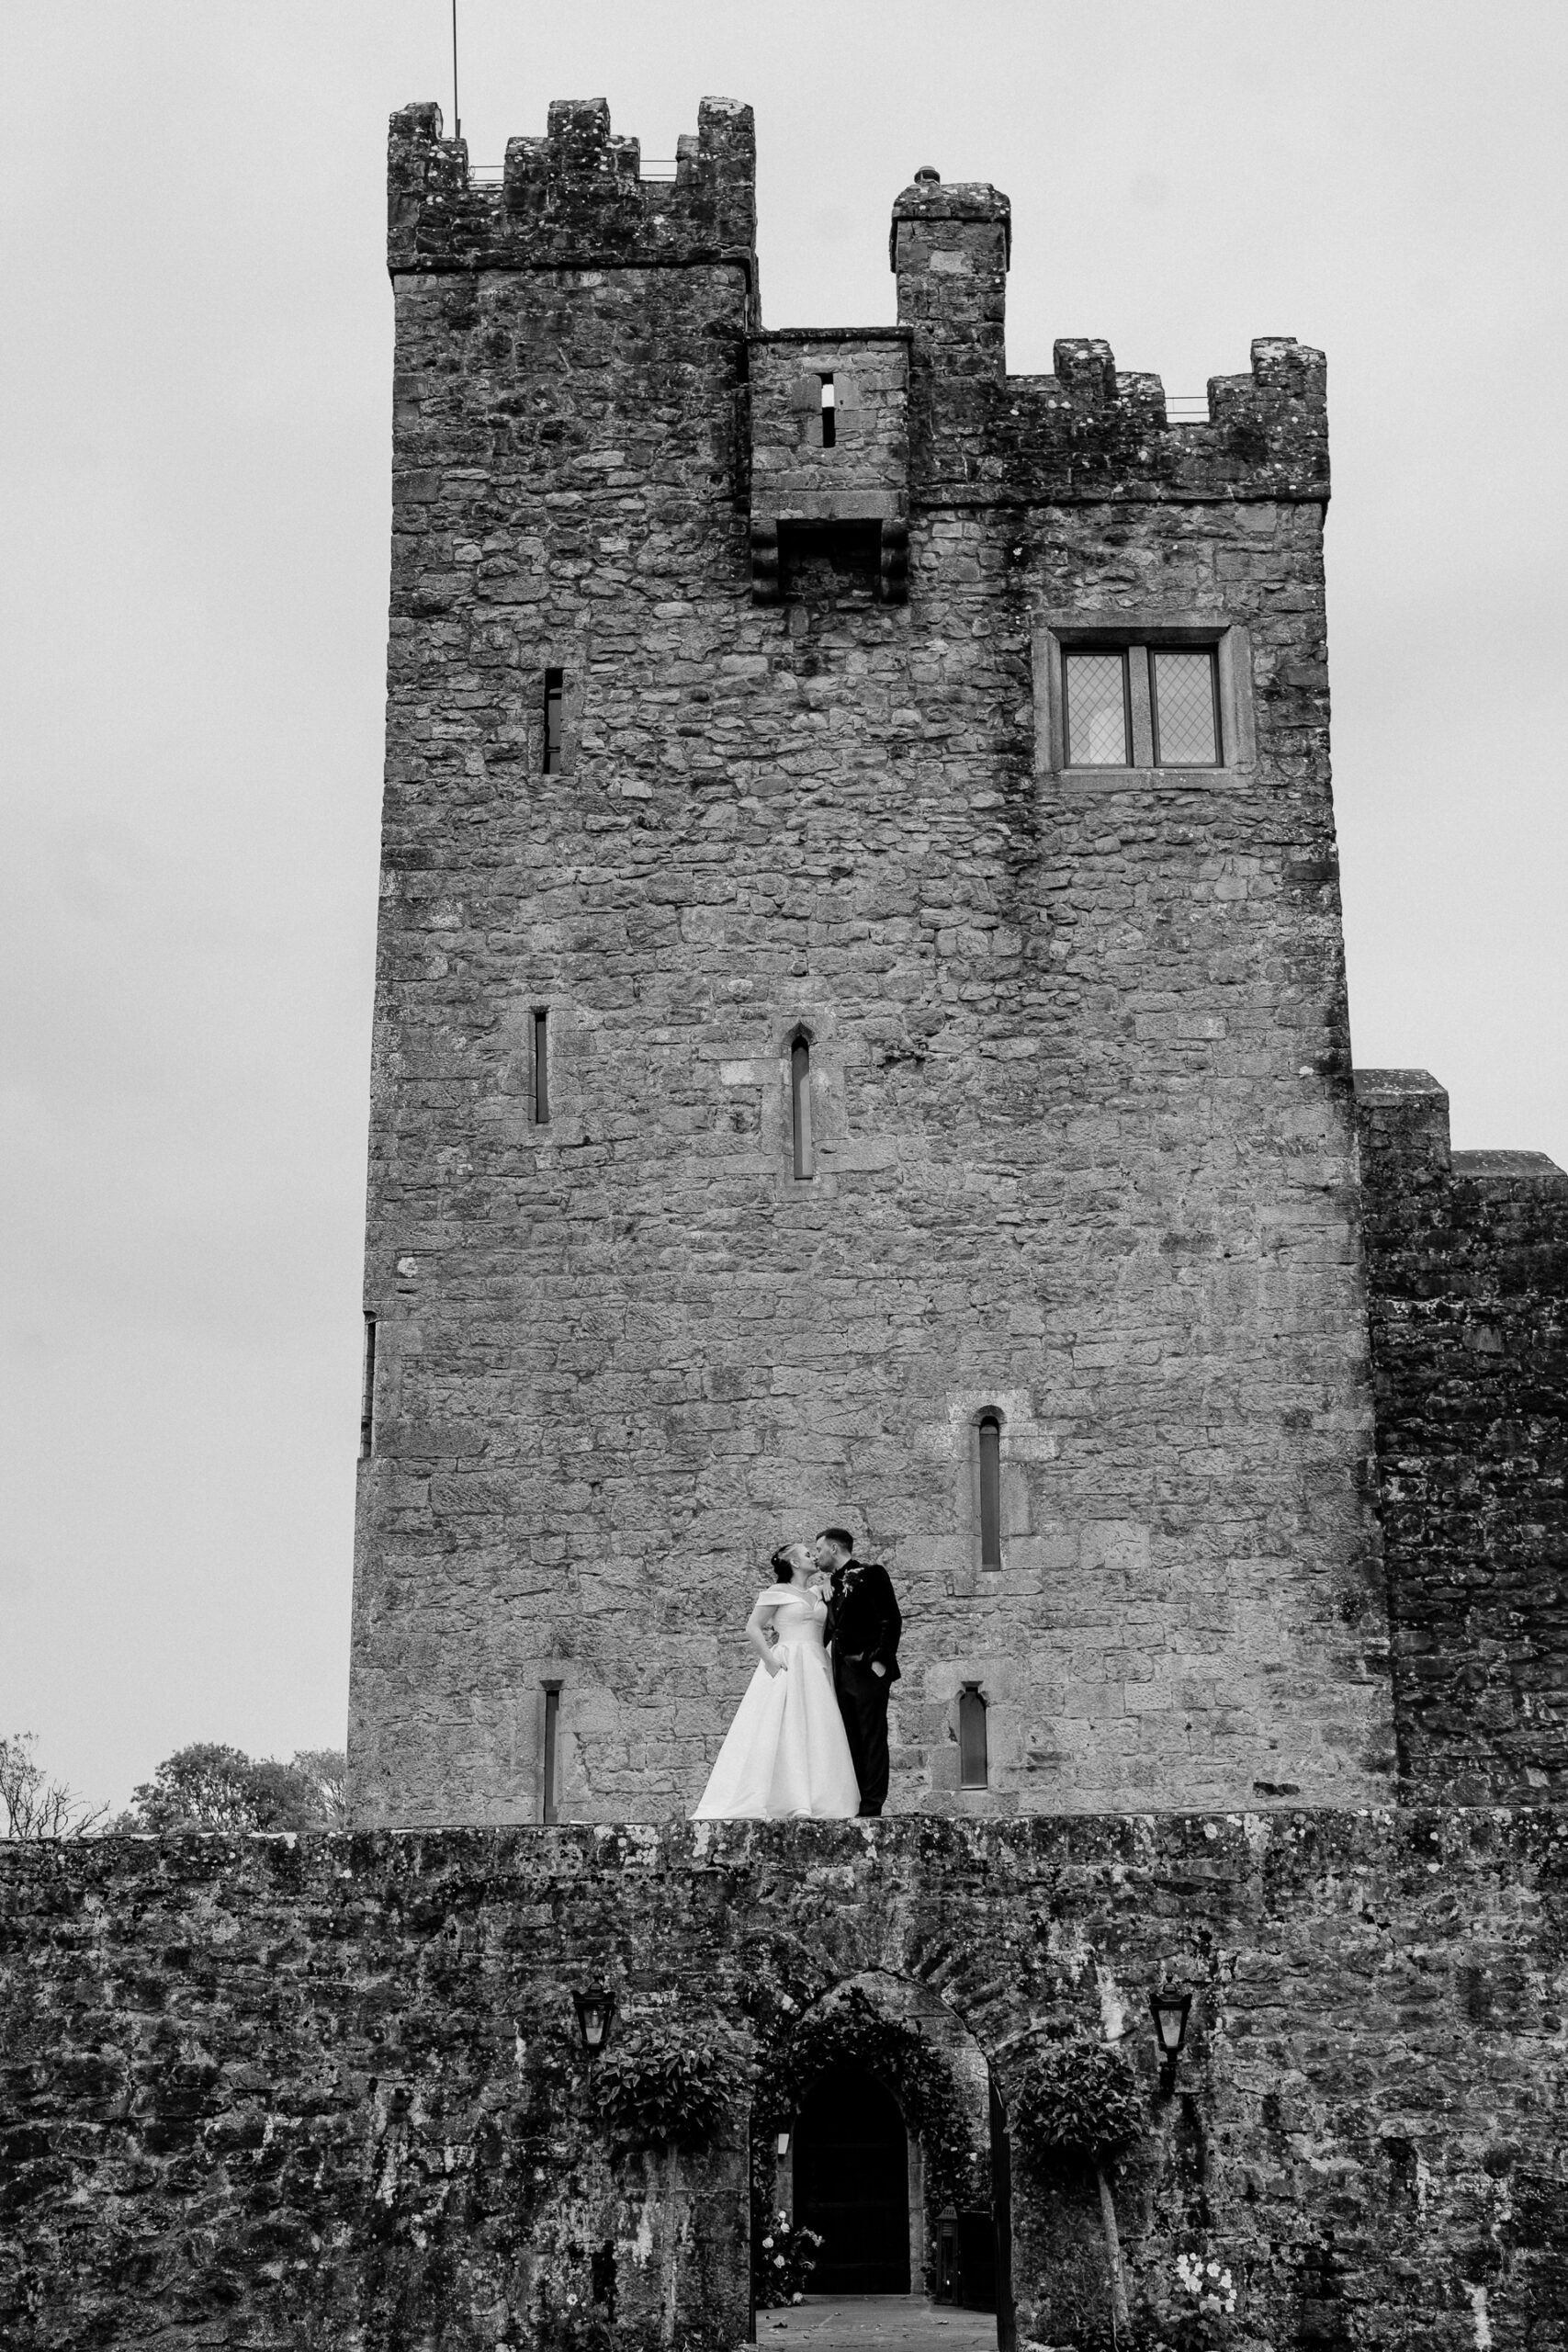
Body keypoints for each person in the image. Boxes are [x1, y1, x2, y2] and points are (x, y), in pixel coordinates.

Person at [692, 1543, 861, 1821]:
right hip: (788, 1661)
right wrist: (769, 1659)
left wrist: (829, 1581)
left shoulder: (818, 1592)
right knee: (788, 1727)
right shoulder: (776, 1593)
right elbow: (753, 1627)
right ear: (793, 1563)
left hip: (817, 1663)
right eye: (808, 1554)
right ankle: (794, 1801)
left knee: (819, 1726)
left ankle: (824, 1798)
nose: (814, 1557)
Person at [817, 1526, 901, 1817]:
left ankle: (873, 1803)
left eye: (819, 1549)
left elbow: (891, 1620)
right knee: (851, 1737)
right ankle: (855, 1800)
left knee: (872, 1736)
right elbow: (830, 1630)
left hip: (868, 1672)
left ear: (835, 1549)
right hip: (842, 1676)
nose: (816, 1556)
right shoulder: (831, 1585)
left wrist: (879, 1662)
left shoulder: (871, 1574)